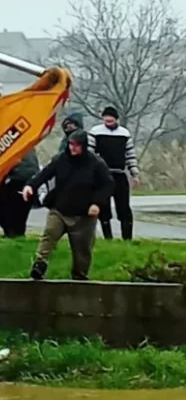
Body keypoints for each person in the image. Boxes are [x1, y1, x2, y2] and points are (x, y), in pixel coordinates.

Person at [21, 129, 114, 281]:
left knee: (82, 249)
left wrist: (97, 203)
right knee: (50, 233)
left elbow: (108, 184)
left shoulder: (96, 163)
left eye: (77, 145)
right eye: (71, 144)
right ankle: (40, 264)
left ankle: (80, 277)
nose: (73, 148)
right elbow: (45, 173)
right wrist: (31, 185)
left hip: (84, 215)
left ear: (84, 146)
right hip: (60, 209)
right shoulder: (61, 159)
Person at [87, 106, 140, 240]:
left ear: (116, 119)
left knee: (124, 206)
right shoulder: (95, 132)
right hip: (102, 175)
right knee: (103, 207)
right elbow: (90, 154)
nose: (108, 120)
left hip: (120, 174)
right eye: (106, 118)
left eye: (110, 118)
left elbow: (130, 155)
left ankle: (127, 238)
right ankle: (108, 237)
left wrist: (134, 174)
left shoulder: (124, 133)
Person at [0, 149, 40, 237]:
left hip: (15, 178)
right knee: (21, 212)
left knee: (6, 207)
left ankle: (10, 232)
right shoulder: (28, 146)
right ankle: (18, 232)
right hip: (30, 179)